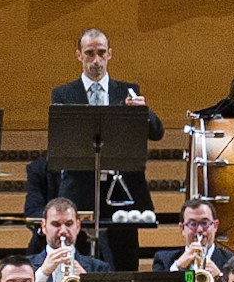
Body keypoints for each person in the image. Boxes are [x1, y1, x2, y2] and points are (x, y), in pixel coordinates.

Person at [23, 25, 164, 261]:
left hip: (119, 190)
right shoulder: (64, 94)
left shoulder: (127, 90)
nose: (96, 60)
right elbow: (62, 140)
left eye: (101, 52)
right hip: (80, 188)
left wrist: (144, 112)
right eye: (89, 53)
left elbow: (157, 133)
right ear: (79, 55)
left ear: (110, 53)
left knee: (124, 258)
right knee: (73, 258)